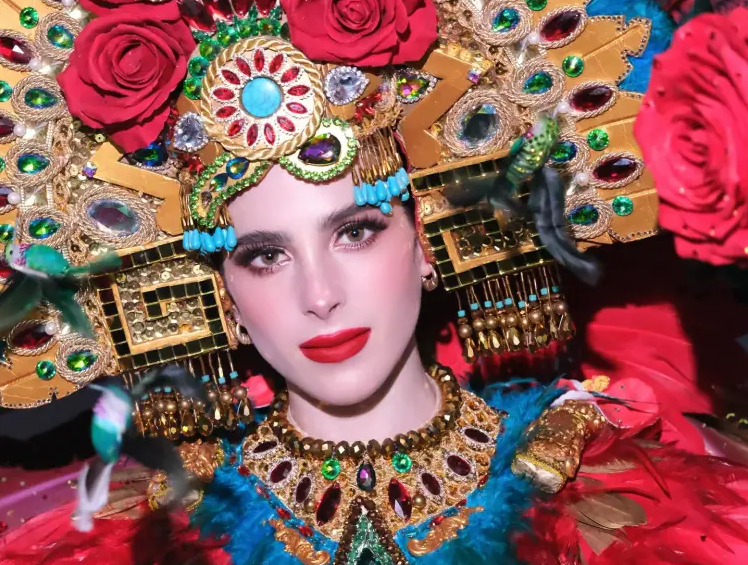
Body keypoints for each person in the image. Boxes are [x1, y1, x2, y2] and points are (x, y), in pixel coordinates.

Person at [1, 0, 748, 564]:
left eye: (355, 232)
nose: (319, 295)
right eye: (264, 256)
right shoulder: (159, 535)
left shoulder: (601, 491)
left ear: (425, 241)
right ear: (222, 296)